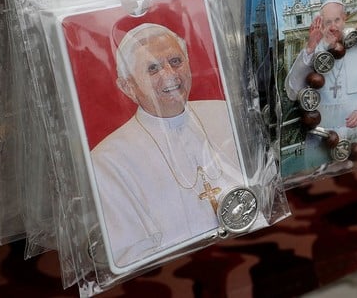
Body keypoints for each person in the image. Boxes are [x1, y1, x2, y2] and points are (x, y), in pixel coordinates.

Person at [90, 23, 244, 268]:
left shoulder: (225, 113)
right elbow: (128, 256)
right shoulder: (107, 160)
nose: (170, 75)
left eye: (175, 61)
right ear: (127, 86)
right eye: (153, 68)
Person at [284, 0, 357, 150]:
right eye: (328, 22)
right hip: (321, 138)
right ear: (321, 23)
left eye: (337, 20)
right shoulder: (313, 51)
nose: (333, 27)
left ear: (345, 19)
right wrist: (310, 48)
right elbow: (293, 92)